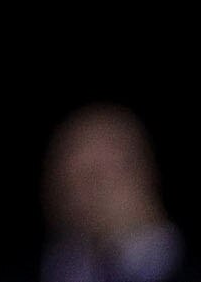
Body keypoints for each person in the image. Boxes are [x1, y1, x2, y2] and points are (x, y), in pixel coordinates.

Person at [42, 106, 184, 282]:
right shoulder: (53, 268)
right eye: (69, 180)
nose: (82, 195)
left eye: (95, 175)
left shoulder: (184, 265)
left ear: (145, 171)